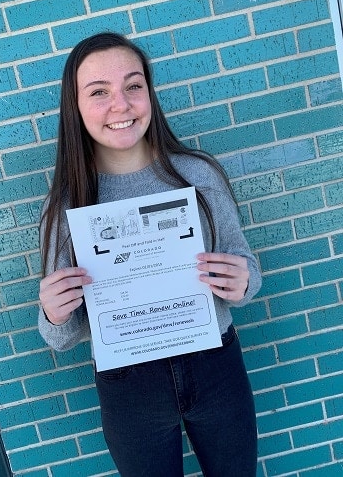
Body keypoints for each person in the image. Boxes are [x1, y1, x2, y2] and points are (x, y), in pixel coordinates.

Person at [38, 32, 262, 477]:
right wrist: (55, 314)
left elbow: (246, 269)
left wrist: (243, 282)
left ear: (149, 94)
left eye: (133, 86)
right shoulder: (66, 205)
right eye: (98, 92)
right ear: (75, 107)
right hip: (129, 386)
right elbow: (60, 337)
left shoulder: (198, 174)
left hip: (215, 363)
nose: (120, 105)